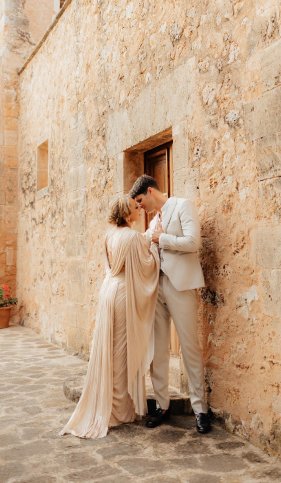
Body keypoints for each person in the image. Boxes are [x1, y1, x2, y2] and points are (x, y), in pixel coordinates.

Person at [60, 196, 159, 439]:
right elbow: (146, 265)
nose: (139, 210)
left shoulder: (108, 235)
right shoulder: (133, 237)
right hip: (123, 293)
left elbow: (111, 266)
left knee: (110, 349)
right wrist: (155, 246)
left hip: (108, 291)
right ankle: (116, 410)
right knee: (120, 352)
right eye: (135, 208)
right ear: (127, 215)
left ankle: (115, 404)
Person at [130, 175, 211, 434]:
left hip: (181, 287)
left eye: (140, 200)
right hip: (157, 289)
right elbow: (142, 243)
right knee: (158, 351)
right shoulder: (154, 221)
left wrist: (161, 239)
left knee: (189, 347)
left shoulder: (182, 205)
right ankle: (162, 405)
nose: (140, 207)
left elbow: (193, 242)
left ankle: (200, 409)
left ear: (150, 191)